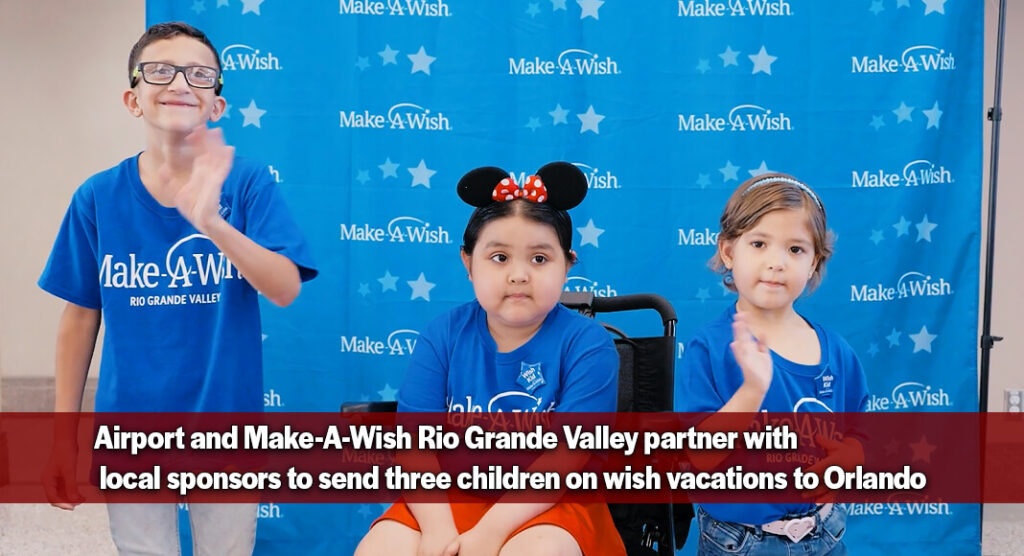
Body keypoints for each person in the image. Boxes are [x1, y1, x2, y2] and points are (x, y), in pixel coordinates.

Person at [38, 21, 317, 555]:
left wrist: (212, 223)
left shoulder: (249, 183)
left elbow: (284, 287)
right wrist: (62, 438)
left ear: (216, 104)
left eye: (199, 73)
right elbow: (79, 319)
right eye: (160, 70)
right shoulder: (97, 197)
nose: (180, 82)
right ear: (133, 98)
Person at [355, 163, 626, 556]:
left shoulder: (588, 345)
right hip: (447, 497)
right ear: (468, 263)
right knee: (379, 550)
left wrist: (487, 535)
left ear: (567, 265)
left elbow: (567, 457)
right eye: (499, 257)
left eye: (539, 259)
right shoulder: (442, 335)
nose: (518, 275)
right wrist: (437, 530)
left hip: (552, 502)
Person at [676, 173, 869, 555]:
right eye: (759, 243)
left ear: (816, 262)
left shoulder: (837, 351)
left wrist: (852, 455)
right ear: (729, 251)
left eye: (796, 250)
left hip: (823, 534)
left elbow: (864, 432)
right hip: (738, 540)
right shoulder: (710, 348)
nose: (776, 262)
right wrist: (751, 390)